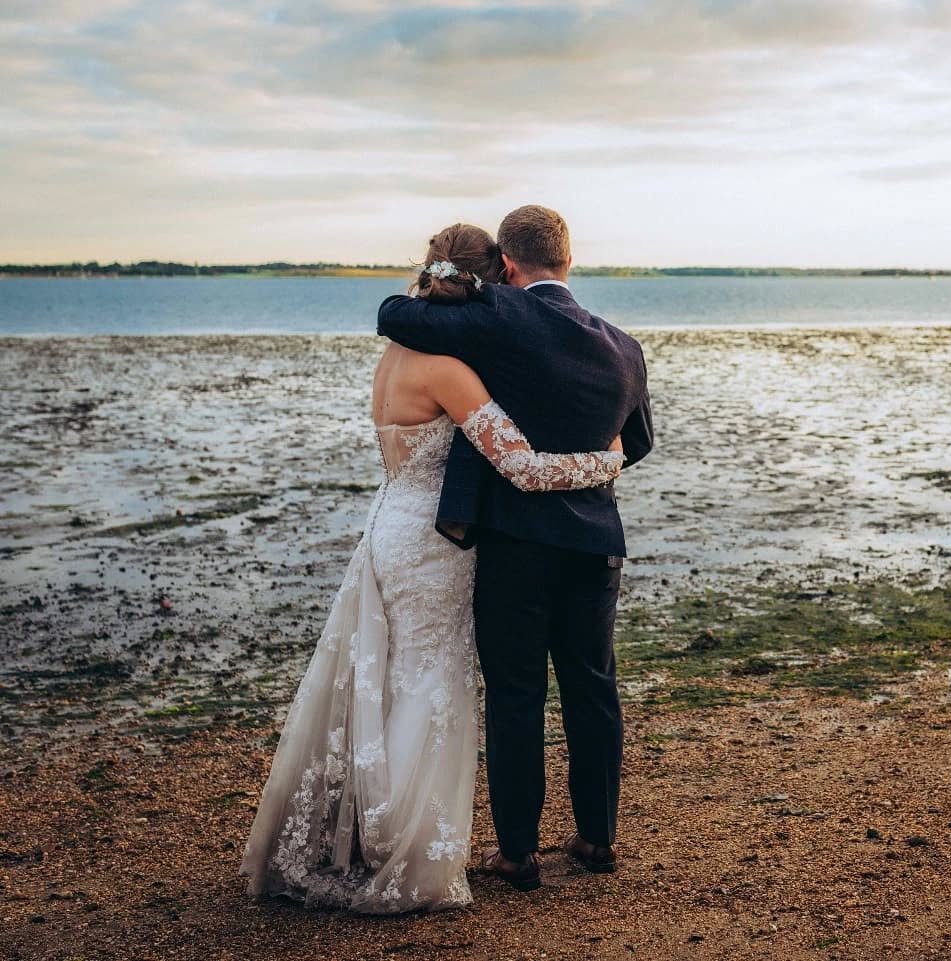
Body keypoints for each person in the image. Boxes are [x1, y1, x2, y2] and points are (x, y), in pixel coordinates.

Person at [239, 223, 625, 912]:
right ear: (492, 280)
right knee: (427, 681)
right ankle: (405, 845)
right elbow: (519, 464)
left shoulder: (394, 355)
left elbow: (401, 321)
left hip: (390, 523)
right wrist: (607, 460)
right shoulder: (450, 370)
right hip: (434, 541)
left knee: (390, 678)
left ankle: (384, 834)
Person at [377, 204, 653, 891]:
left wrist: (464, 287)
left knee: (516, 693)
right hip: (595, 541)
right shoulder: (624, 346)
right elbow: (638, 443)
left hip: (517, 543)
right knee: (593, 687)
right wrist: (598, 462)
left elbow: (396, 315)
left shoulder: (499, 312)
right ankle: (597, 838)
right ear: (570, 259)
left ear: (506, 264)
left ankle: (519, 853)